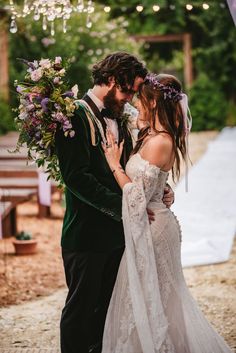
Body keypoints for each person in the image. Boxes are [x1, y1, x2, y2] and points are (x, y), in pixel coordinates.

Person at [101, 73, 233, 353]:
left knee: (161, 296)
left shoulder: (162, 141)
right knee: (150, 294)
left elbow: (137, 196)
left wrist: (114, 164)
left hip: (155, 228)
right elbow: (150, 180)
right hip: (150, 221)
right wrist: (164, 187)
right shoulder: (149, 133)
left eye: (142, 98)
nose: (137, 102)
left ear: (155, 102)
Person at [55, 53, 174, 353]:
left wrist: (160, 188)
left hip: (119, 237)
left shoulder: (118, 114)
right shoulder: (73, 116)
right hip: (87, 236)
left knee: (107, 314)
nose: (131, 98)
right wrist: (125, 207)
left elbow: (136, 165)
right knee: (80, 313)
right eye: (128, 90)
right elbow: (77, 178)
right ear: (110, 81)